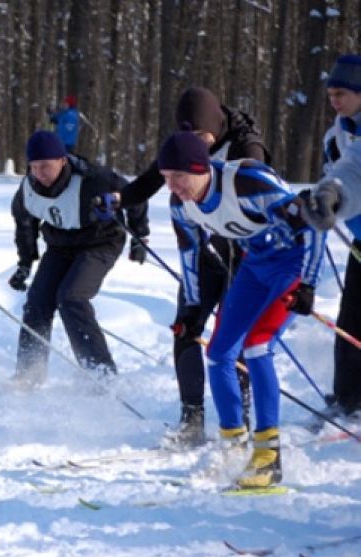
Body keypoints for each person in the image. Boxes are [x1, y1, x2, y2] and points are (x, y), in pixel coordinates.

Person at [158, 131, 325, 488]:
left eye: (179, 177)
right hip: (255, 265)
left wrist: (309, 284)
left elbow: (314, 220)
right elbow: (190, 258)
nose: (173, 187)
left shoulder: (248, 184)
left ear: (200, 168)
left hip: (292, 266)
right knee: (219, 353)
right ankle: (233, 445)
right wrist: (190, 309)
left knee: (257, 345)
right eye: (166, 179)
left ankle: (269, 454)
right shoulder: (181, 206)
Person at [105, 87, 270, 447]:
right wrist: (119, 199)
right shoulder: (182, 176)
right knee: (186, 326)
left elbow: (263, 201)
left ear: (215, 125)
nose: (195, 143)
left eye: (200, 136)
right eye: (187, 136)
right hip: (206, 251)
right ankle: (191, 419)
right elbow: (152, 181)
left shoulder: (246, 148)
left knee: (232, 337)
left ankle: (238, 419)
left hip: (244, 256)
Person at [8, 130, 149, 385]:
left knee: (71, 297)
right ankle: (29, 373)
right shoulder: (28, 188)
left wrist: (140, 236)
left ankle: (101, 375)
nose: (40, 173)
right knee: (37, 301)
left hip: (101, 242)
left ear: (63, 160)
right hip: (60, 244)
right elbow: (25, 223)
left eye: (46, 167)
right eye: (34, 167)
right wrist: (25, 263)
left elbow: (134, 195)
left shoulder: (94, 179)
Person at [316, 54, 361, 418]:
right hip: (360, 239)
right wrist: (325, 196)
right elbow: (339, 173)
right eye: (331, 93)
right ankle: (347, 400)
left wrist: (336, 190)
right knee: (350, 322)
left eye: (342, 92)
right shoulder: (336, 134)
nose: (335, 99)